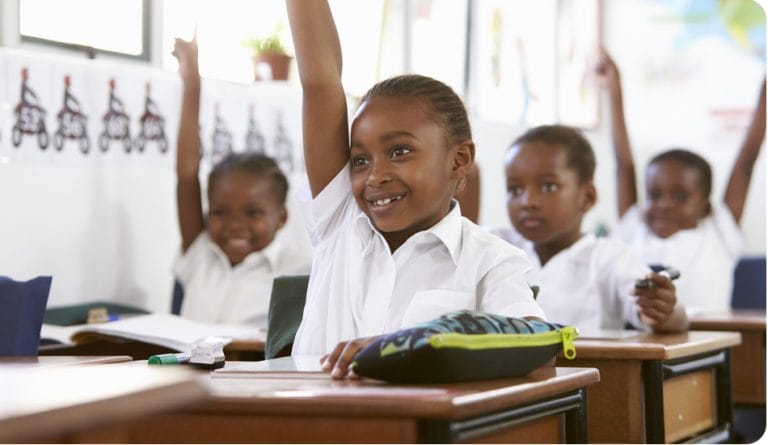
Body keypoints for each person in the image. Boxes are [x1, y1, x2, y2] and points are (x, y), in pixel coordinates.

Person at [286, 0, 546, 379]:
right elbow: (321, 84)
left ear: (459, 160)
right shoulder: (340, 221)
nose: (375, 176)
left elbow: (537, 346)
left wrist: (407, 345)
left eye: (399, 151)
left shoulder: (490, 261)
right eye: (360, 160)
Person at [596, 48, 766, 311]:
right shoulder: (636, 228)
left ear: (705, 207)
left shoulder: (718, 232)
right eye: (654, 194)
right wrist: (614, 91)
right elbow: (624, 164)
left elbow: (746, 161)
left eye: (680, 196)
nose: (664, 205)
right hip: (642, 345)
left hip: (708, 349)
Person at [171, 35, 312, 327]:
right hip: (188, 372)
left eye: (253, 213)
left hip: (251, 373)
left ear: (281, 217)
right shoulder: (200, 253)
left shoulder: (298, 271)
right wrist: (191, 83)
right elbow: (186, 176)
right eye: (220, 212)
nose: (235, 225)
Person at [493, 125, 688, 333]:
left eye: (548, 187)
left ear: (587, 197)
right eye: (515, 189)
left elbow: (672, 320)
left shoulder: (610, 258)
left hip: (590, 365)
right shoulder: (496, 247)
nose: (527, 202)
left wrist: (664, 309)